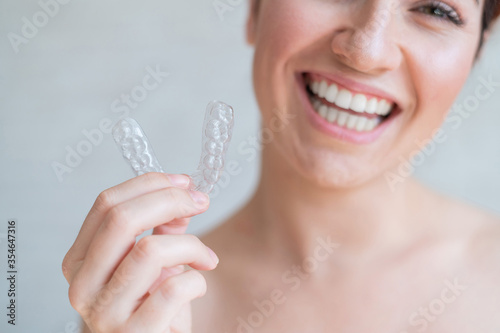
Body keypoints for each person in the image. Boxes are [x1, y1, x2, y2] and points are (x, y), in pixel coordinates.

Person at [62, 0, 500, 332]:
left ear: (475, 54)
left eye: (436, 9)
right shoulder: (147, 309)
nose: (365, 50)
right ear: (255, 8)